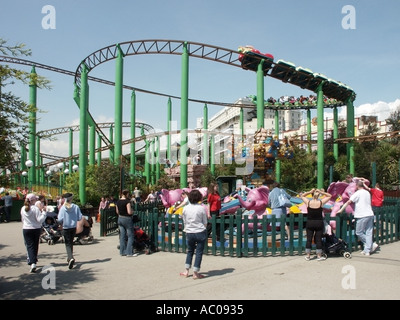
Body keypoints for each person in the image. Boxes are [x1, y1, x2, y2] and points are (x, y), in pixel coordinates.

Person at [337, 180, 379, 256]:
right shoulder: (367, 193)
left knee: (359, 232)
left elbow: (349, 202)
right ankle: (367, 250)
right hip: (370, 214)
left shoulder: (357, 193)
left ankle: (371, 245)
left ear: (357, 186)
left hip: (362, 214)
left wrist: (341, 210)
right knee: (369, 232)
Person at [180, 189, 208, 279]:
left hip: (189, 231)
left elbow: (184, 220)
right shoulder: (201, 208)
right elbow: (205, 222)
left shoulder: (185, 208)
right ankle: (196, 272)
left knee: (190, 251)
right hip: (200, 231)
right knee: (199, 252)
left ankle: (186, 270)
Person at [301, 188, 332, 261]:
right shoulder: (321, 203)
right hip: (318, 222)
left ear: (311, 195)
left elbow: (302, 195)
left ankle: (308, 256)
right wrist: (321, 192)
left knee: (309, 239)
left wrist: (309, 191)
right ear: (318, 196)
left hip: (310, 222)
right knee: (318, 239)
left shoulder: (308, 202)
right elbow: (329, 196)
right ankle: (318, 256)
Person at [21, 193, 47, 272]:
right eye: (35, 199)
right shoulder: (35, 209)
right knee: (35, 245)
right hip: (35, 228)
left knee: (29, 245)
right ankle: (33, 262)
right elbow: (40, 220)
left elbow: (22, 219)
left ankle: (31, 260)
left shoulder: (23, 208)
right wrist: (44, 213)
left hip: (26, 228)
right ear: (32, 200)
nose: (37, 200)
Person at [57, 193, 83, 269]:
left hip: (66, 227)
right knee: (70, 242)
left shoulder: (62, 208)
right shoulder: (76, 207)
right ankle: (70, 258)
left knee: (67, 243)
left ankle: (70, 257)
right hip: (73, 227)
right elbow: (79, 217)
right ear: (71, 199)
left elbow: (60, 219)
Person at [116, 189, 137, 257]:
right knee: (130, 236)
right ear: (127, 194)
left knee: (122, 236)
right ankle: (129, 252)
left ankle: (122, 251)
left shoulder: (118, 202)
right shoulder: (127, 202)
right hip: (127, 219)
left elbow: (117, 212)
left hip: (120, 218)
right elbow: (129, 212)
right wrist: (132, 211)